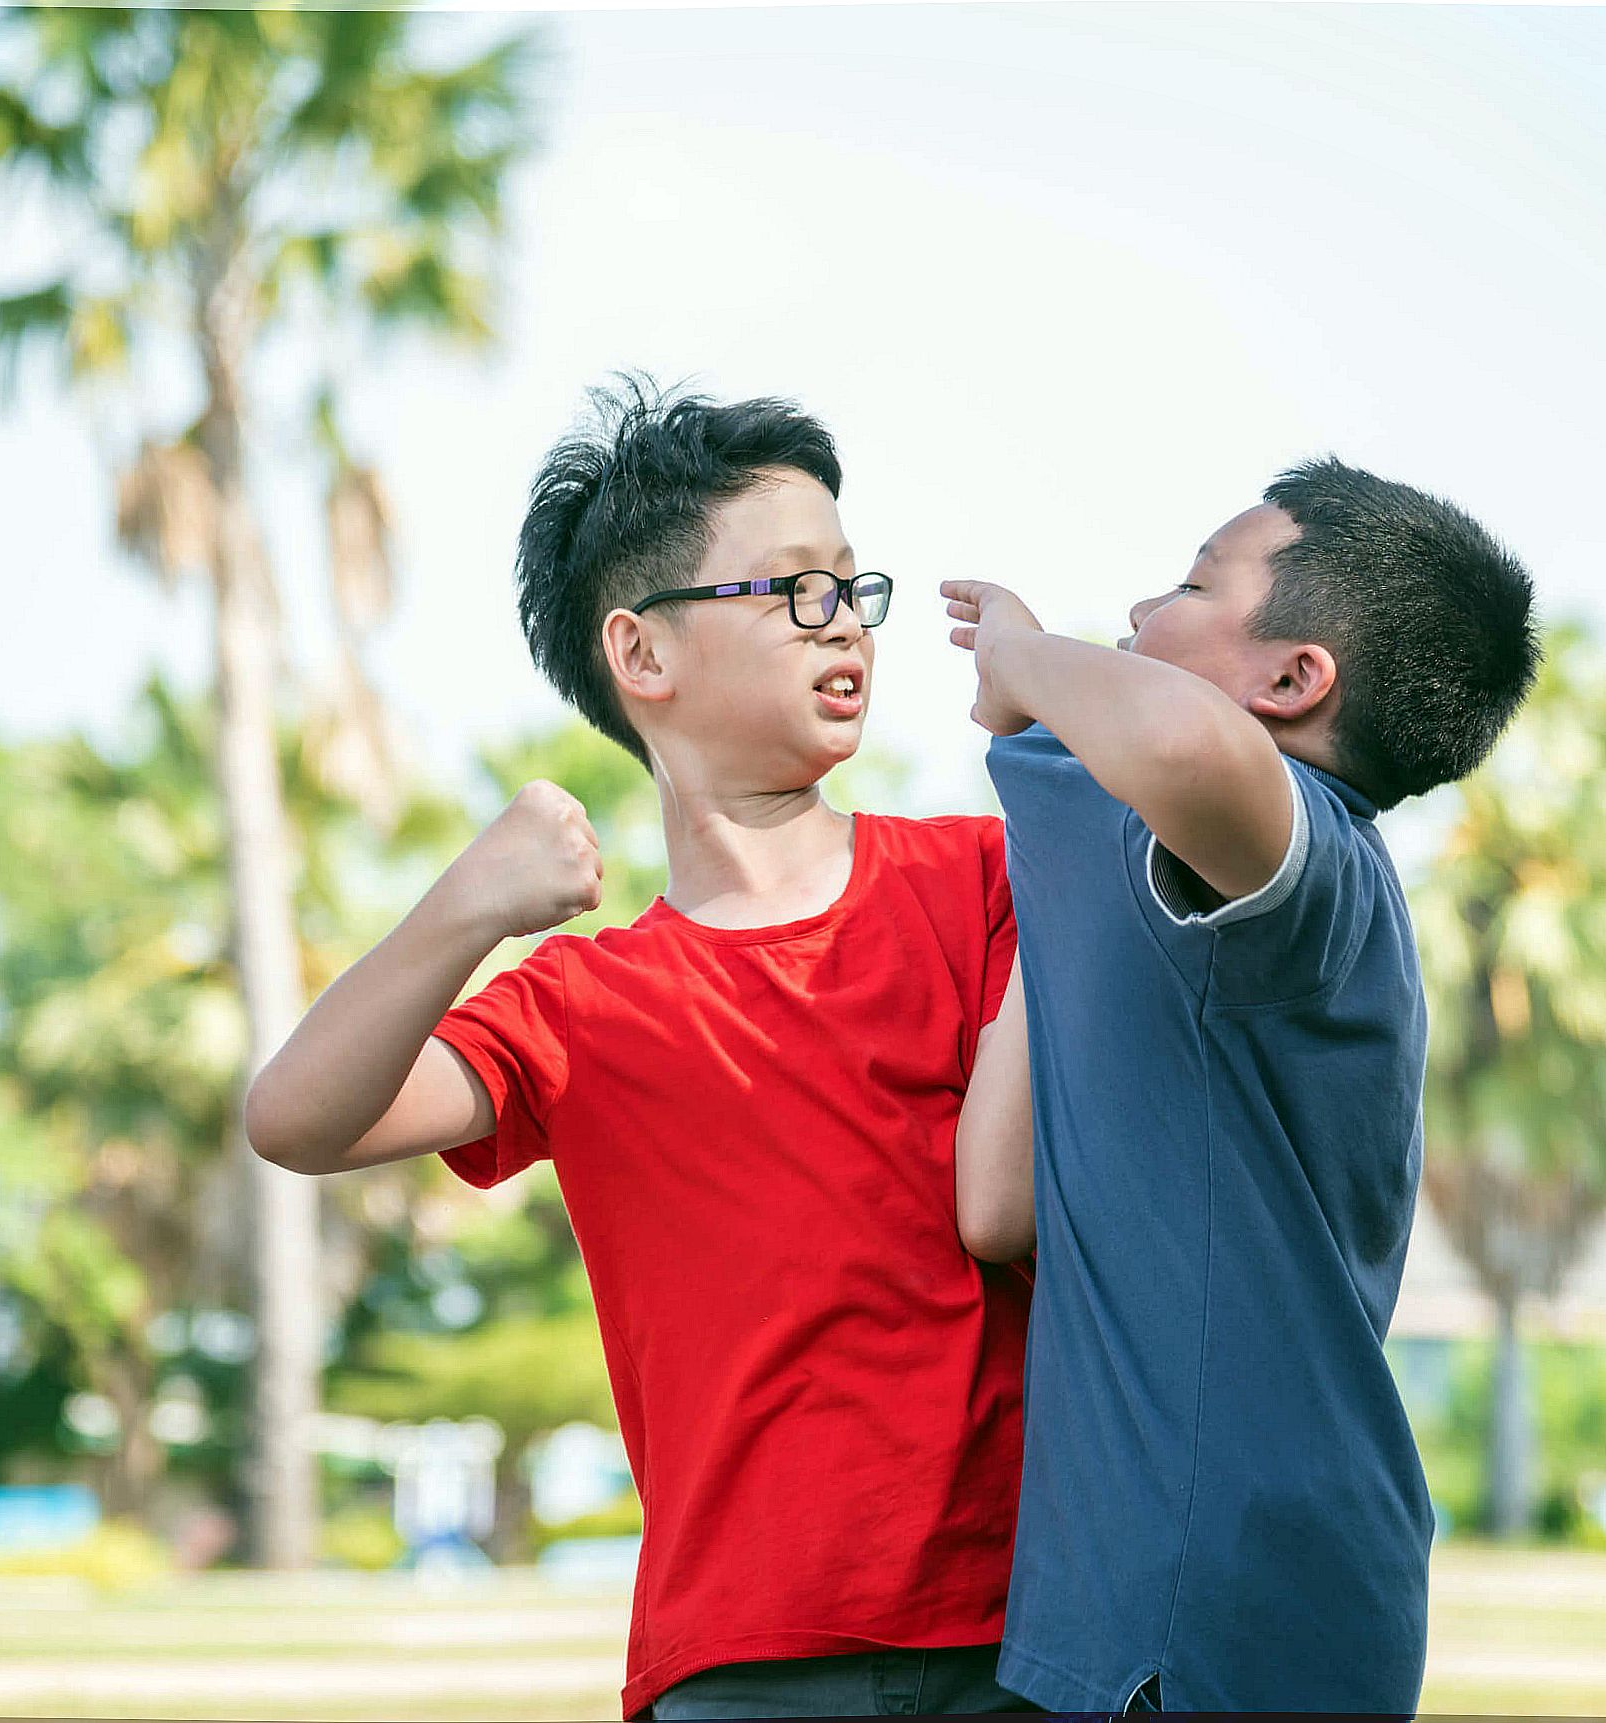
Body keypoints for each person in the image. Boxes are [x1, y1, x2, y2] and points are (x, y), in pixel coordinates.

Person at [249, 378, 1037, 1721]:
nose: (843, 620)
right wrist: (468, 904)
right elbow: (298, 1118)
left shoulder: (988, 877)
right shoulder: (582, 1004)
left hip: (1020, 1627)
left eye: (855, 584)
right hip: (737, 1655)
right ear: (643, 653)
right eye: (791, 588)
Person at [943, 457, 1541, 1714]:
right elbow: (996, 1207)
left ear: (1288, 678)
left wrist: (1021, 652)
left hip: (1230, 1596)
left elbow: (1170, 738)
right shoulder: (1181, 891)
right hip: (1151, 1599)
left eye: (1190, 583)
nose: (1142, 604)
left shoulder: (1316, 865)